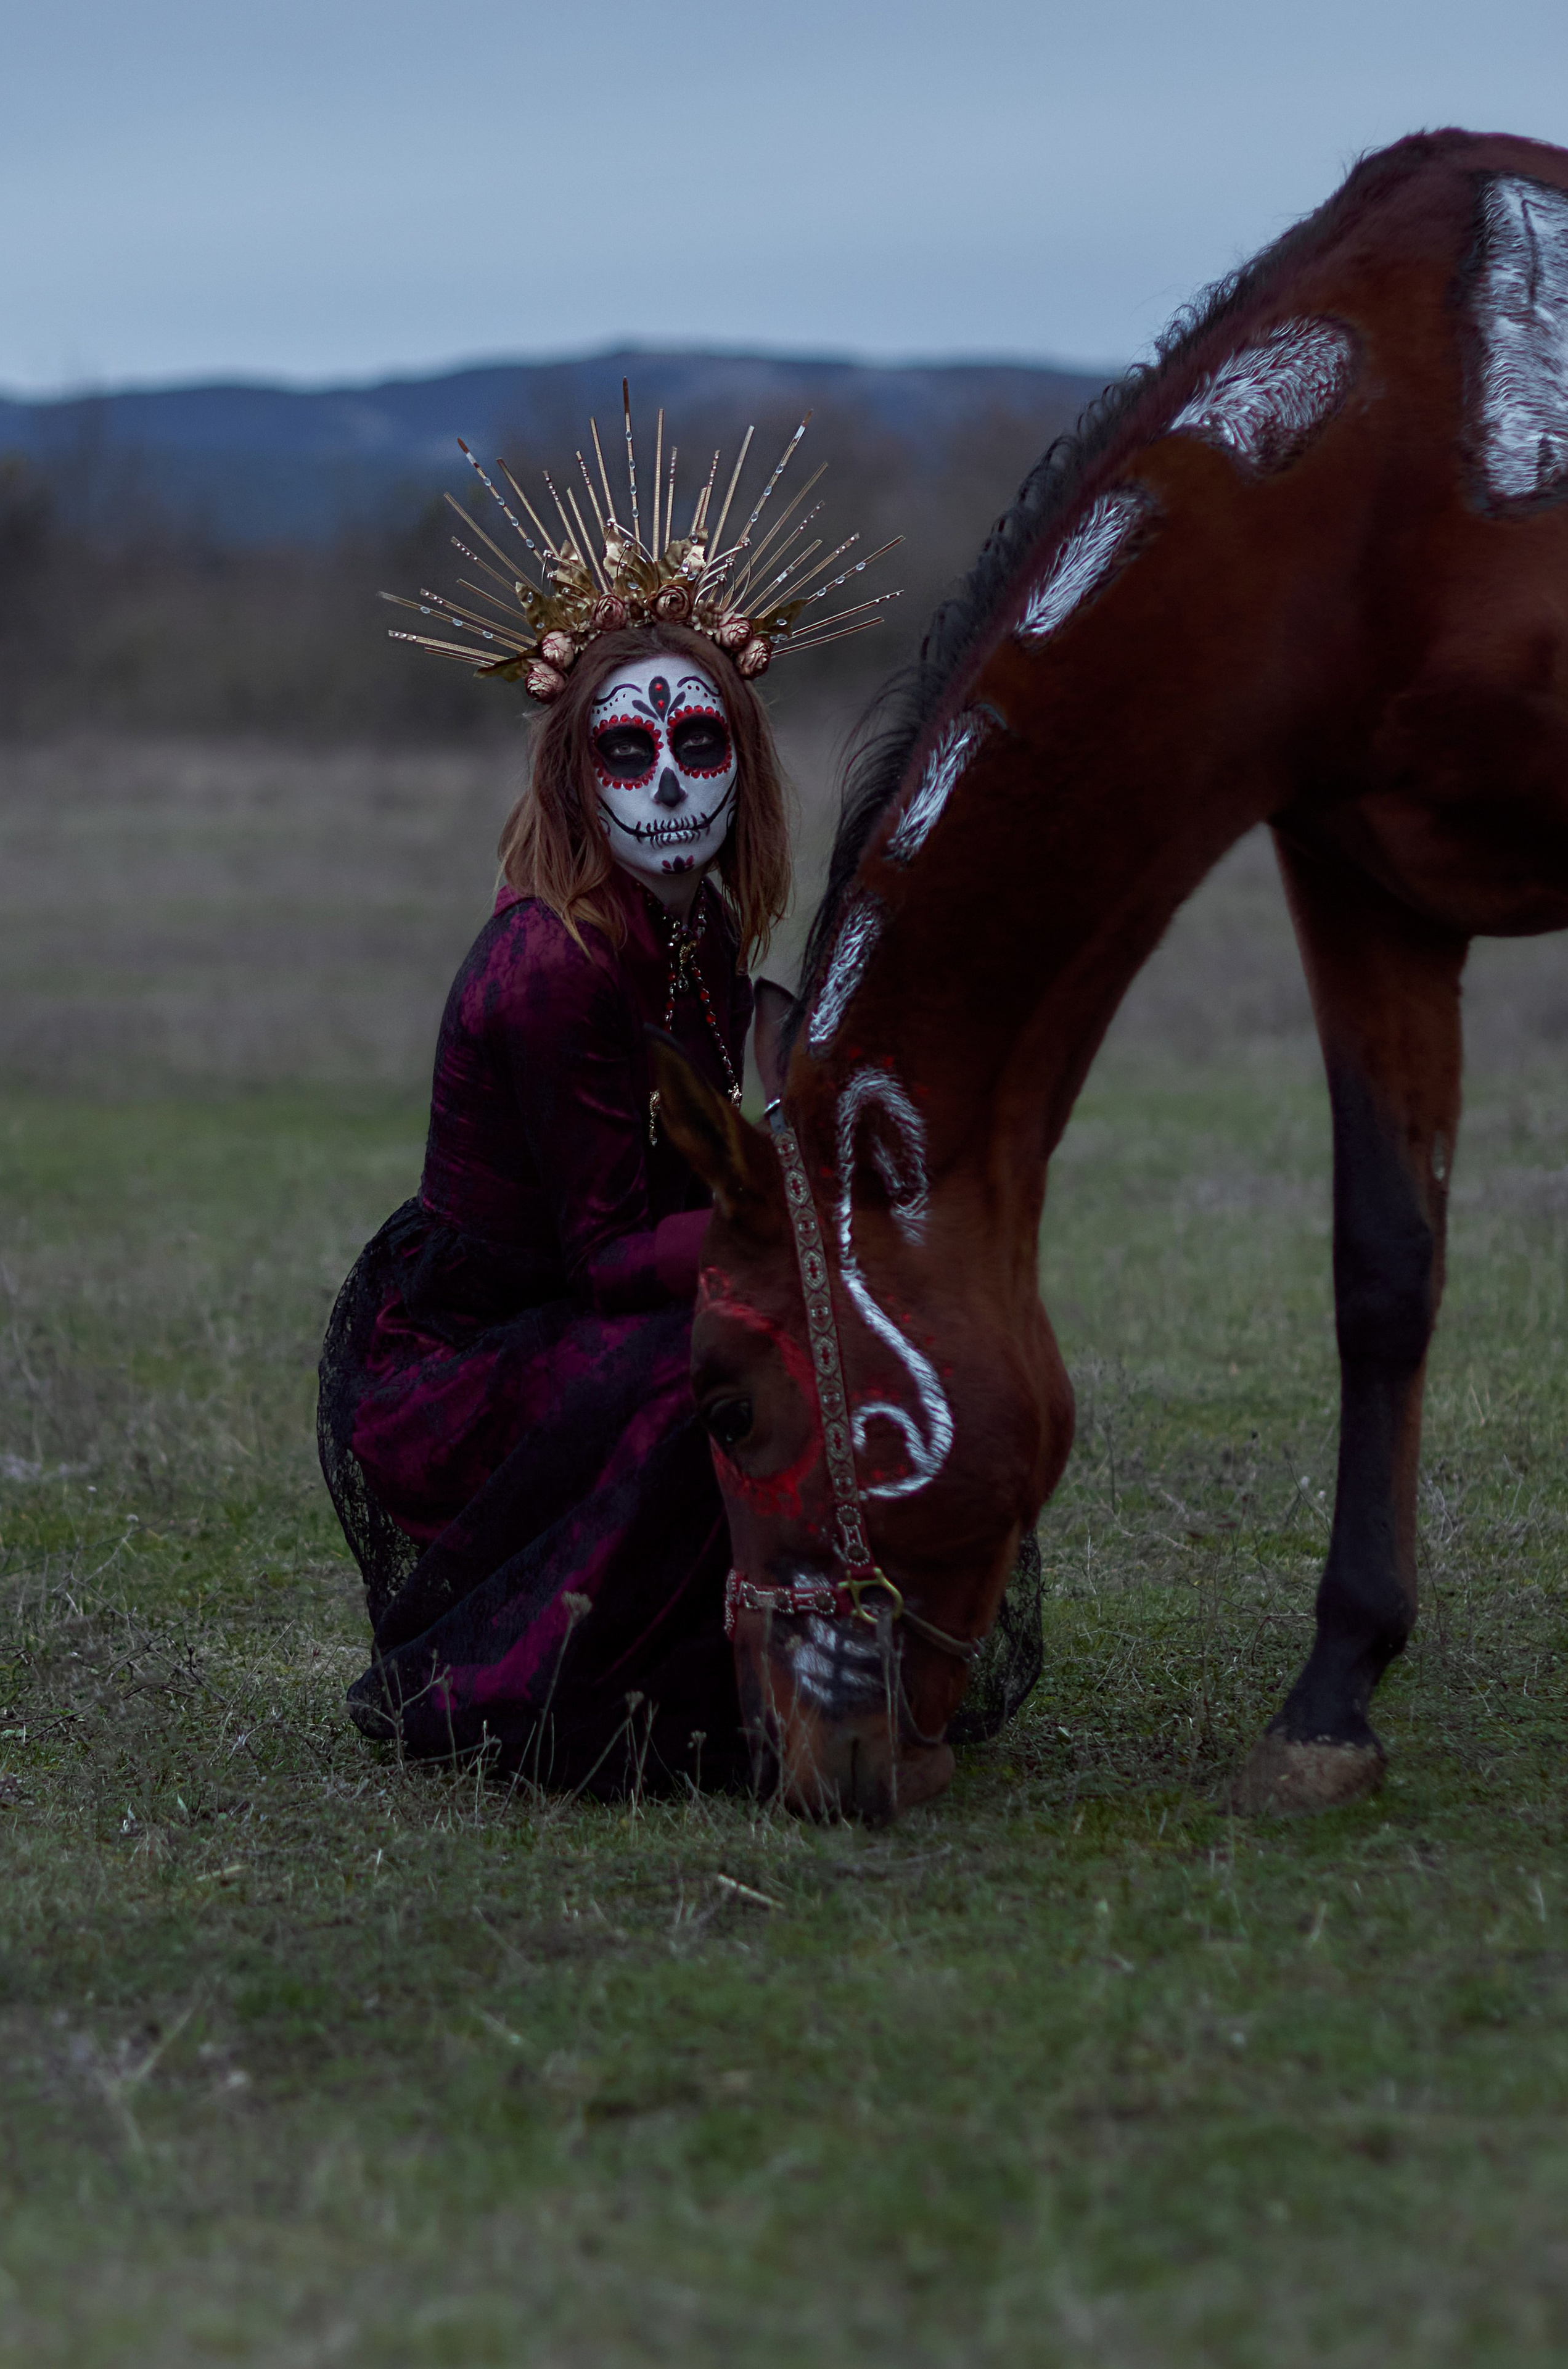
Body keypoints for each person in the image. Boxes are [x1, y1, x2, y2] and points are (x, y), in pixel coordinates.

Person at [319, 395, 896, 1793]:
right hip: (468, 1343)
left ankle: (822, 1667)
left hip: (601, 1288)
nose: (664, 788)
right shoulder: (555, 969)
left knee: (814, 1329)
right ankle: (601, 1693)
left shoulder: (694, 924)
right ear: (572, 774)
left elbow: (697, 1159)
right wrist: (785, 1225)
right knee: (712, 1357)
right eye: (623, 755)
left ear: (742, 761)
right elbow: (595, 1258)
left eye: (698, 747)